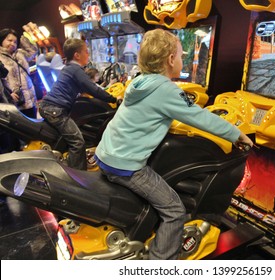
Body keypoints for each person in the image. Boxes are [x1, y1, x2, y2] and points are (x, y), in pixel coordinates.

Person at [94, 29, 253, 260]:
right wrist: (236, 134)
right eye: (180, 56)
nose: (182, 60)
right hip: (127, 166)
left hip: (105, 156)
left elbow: (152, 115)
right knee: (175, 210)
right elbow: (201, 117)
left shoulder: (138, 82)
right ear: (170, 59)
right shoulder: (165, 89)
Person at [39, 38, 120, 170]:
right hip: (55, 110)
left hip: (49, 107)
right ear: (77, 55)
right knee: (77, 142)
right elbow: (92, 88)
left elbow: (88, 88)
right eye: (86, 52)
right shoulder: (76, 70)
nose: (88, 54)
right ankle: (76, 179)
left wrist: (104, 90)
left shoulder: (70, 68)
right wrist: (113, 99)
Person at [0, 28, 38, 118]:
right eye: (9, 40)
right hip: (15, 102)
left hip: (30, 99)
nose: (12, 44)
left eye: (15, 41)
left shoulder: (20, 53)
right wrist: (8, 94)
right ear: (2, 40)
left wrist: (24, 38)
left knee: (34, 126)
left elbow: (33, 51)